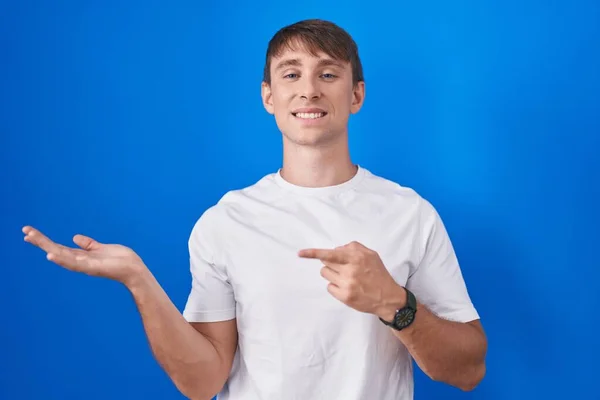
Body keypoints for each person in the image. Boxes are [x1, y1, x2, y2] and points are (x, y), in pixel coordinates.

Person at [22, 19, 487, 400]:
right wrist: (137, 280)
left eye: (328, 74)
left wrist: (393, 302)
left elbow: (468, 370)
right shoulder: (226, 221)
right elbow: (203, 382)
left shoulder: (410, 214)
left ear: (356, 95)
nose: (309, 90)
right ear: (269, 97)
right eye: (291, 74)